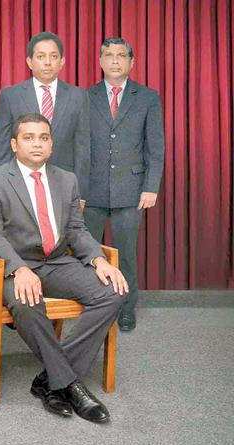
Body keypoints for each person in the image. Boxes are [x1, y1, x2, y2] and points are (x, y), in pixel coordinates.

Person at [0, 113, 127, 424]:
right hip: (16, 266)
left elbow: (76, 230)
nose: (37, 143)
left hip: (57, 261)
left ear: (51, 145)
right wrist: (18, 269)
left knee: (113, 292)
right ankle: (69, 384)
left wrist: (98, 259)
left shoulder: (66, 179)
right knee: (25, 303)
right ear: (15, 144)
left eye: (43, 138)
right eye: (29, 137)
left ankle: (50, 378)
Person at [84, 37, 165, 332]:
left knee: (126, 254)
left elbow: (155, 146)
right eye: (109, 55)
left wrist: (151, 186)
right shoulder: (86, 96)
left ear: (132, 62)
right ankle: (92, 306)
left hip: (131, 191)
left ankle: (127, 309)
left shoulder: (147, 97)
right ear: (101, 61)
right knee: (88, 254)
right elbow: (79, 144)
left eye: (121, 55)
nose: (115, 60)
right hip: (90, 190)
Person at [0, 32, 91, 196]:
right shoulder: (10, 96)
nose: (48, 62)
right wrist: (0, 189)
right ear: (29, 62)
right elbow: (0, 148)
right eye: (41, 56)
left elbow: (83, 149)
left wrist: (80, 194)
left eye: (53, 56)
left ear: (62, 61)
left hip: (64, 185)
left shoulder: (78, 96)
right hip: (20, 184)